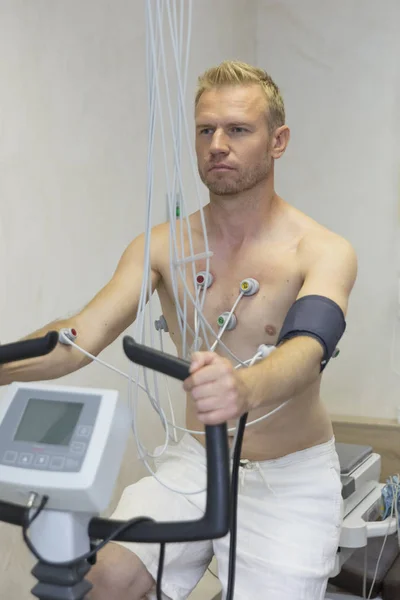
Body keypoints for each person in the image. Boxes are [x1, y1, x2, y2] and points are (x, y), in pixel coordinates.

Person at [0, 61, 357, 599]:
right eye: (205, 130)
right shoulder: (163, 245)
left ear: (277, 141)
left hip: (290, 476)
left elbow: (307, 349)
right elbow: (74, 341)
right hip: (196, 460)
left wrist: (243, 388)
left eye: (238, 129)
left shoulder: (322, 249)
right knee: (99, 584)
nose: (218, 144)